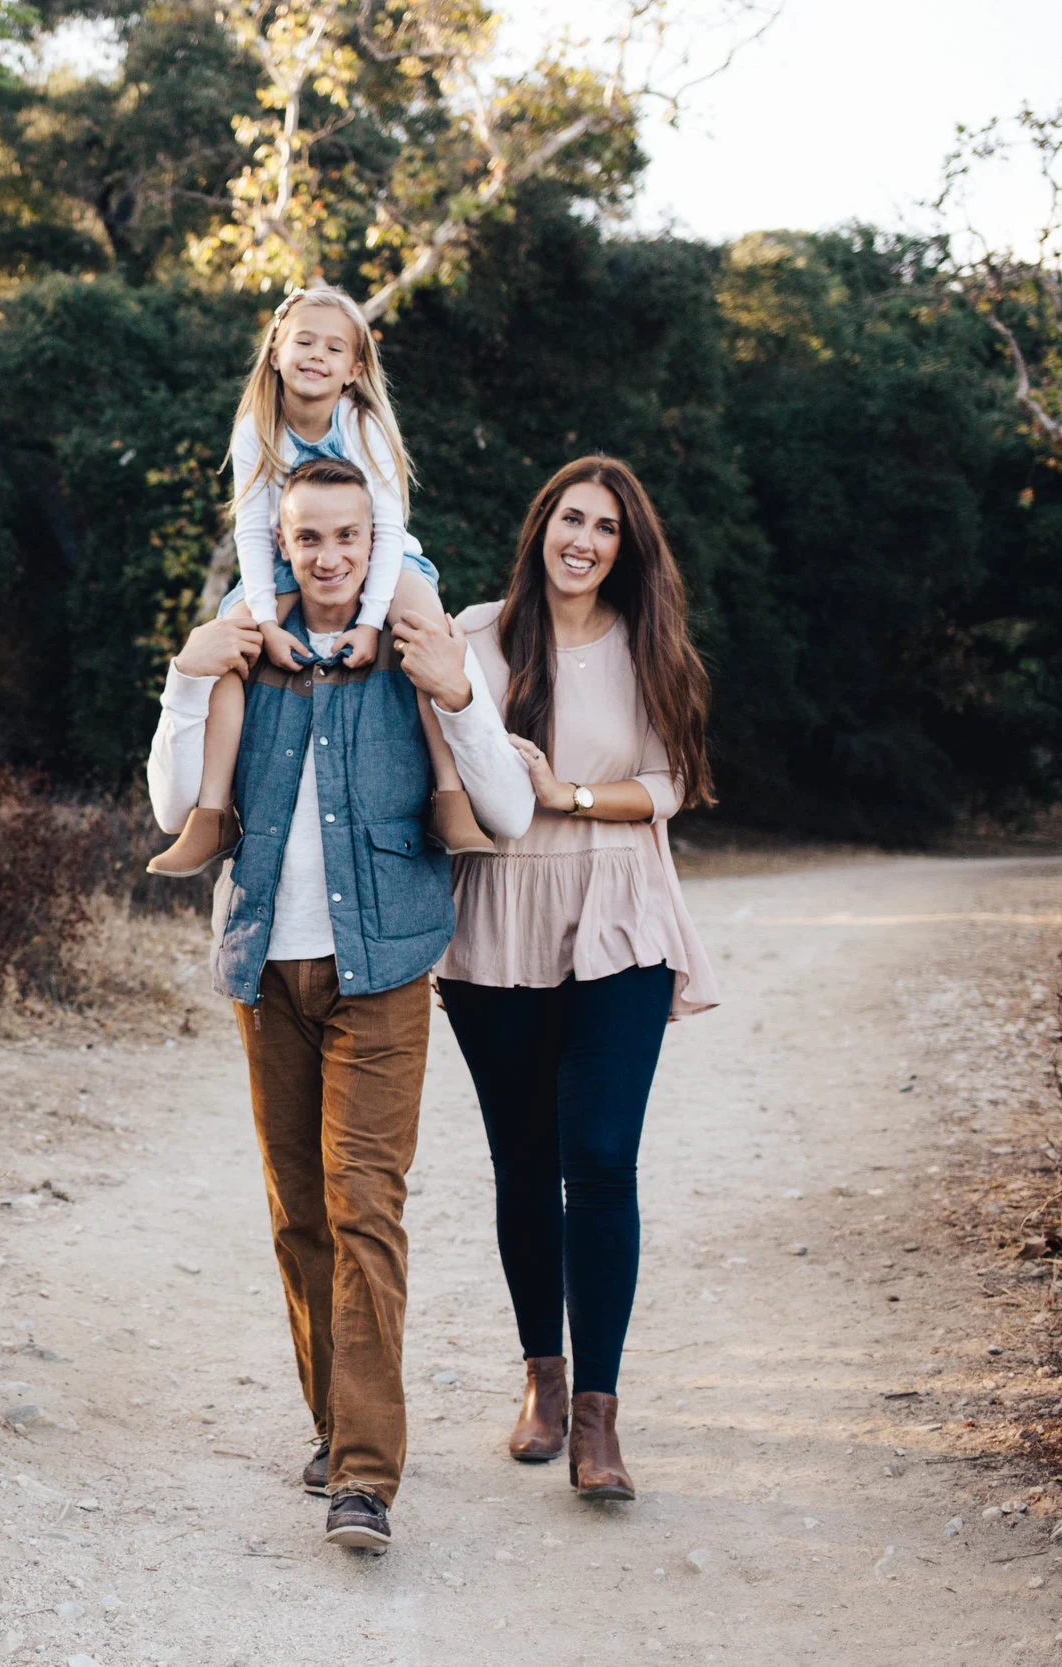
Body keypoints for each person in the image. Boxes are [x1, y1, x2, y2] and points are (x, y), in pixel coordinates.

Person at [147, 456, 534, 1551]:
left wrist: (459, 691)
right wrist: (186, 672)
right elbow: (176, 801)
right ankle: (331, 1423)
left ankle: (364, 1474)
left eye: (347, 539)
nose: (327, 558)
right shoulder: (243, 662)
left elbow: (502, 807)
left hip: (385, 973)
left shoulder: (413, 654)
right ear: (282, 547)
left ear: (378, 549)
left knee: (366, 1205)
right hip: (266, 972)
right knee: (299, 1210)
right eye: (307, 539)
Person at [432, 455, 722, 1504]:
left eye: (605, 527)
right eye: (570, 517)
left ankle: (598, 1416)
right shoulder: (471, 636)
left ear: (623, 548)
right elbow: (429, 761)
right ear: (539, 525)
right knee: (523, 1161)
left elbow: (669, 781)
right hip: (497, 919)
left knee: (599, 1158)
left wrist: (569, 795)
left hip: (618, 914)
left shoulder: (648, 648)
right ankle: (540, 1386)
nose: (584, 539)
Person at [146, 287, 492, 879]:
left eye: (334, 347)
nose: (316, 354)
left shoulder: (361, 424)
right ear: (276, 351)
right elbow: (253, 534)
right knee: (228, 646)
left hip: (379, 557)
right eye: (303, 341)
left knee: (426, 629)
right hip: (288, 559)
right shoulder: (256, 427)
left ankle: (450, 797)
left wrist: (369, 618)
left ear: (354, 370)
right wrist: (260, 622)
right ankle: (211, 814)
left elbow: (387, 528)